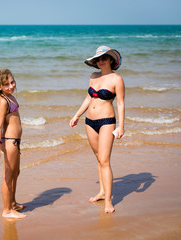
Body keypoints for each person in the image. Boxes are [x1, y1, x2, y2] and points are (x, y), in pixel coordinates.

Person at [70, 46, 125, 213]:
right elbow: (88, 98)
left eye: (104, 58)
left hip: (107, 122)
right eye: (98, 59)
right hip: (90, 122)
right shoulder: (93, 76)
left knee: (105, 160)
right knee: (98, 158)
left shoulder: (117, 80)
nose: (100, 61)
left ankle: (108, 200)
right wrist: (77, 115)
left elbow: (121, 104)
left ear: (110, 60)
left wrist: (121, 126)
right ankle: (102, 191)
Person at [0, 68, 26, 219]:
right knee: (8, 175)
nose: (11, 86)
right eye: (6, 84)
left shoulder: (10, 97)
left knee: (16, 173)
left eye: (12, 82)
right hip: (10, 141)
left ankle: (12, 203)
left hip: (15, 141)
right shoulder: (2, 100)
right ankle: (7, 210)